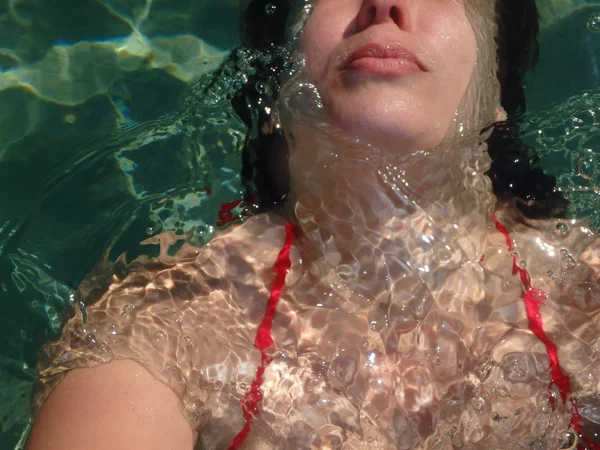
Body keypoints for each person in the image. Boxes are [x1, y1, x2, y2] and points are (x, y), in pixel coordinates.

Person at [26, 0, 600, 449]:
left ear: (499, 90)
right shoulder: (172, 321)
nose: (384, 6)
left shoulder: (587, 298)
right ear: (276, 79)